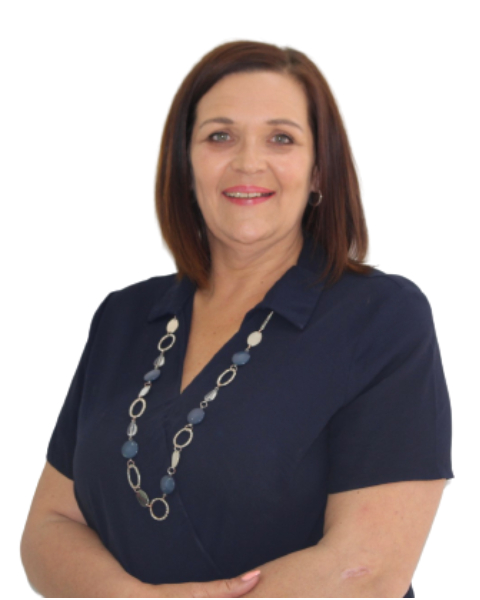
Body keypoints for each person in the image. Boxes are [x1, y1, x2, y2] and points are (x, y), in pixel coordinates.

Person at [20, 40, 454, 598]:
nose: (249, 162)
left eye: (281, 138)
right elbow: (50, 526)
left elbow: (366, 570)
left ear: (319, 171)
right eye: (220, 136)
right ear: (186, 165)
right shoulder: (123, 319)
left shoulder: (382, 319)